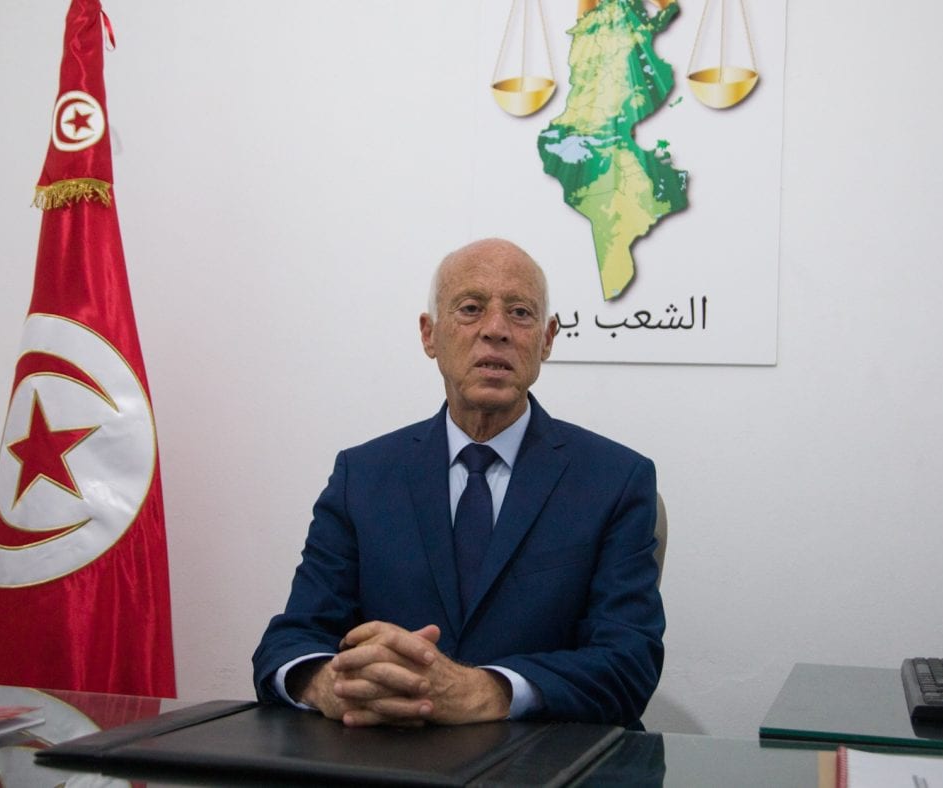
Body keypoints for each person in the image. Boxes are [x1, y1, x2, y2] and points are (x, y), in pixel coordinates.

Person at [252, 238, 664, 729]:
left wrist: (488, 691)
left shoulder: (615, 481)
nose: (496, 330)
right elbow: (290, 641)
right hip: (386, 762)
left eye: (520, 313)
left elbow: (628, 663)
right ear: (430, 335)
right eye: (471, 309)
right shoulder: (362, 477)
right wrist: (331, 685)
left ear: (548, 339)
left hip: (543, 765)